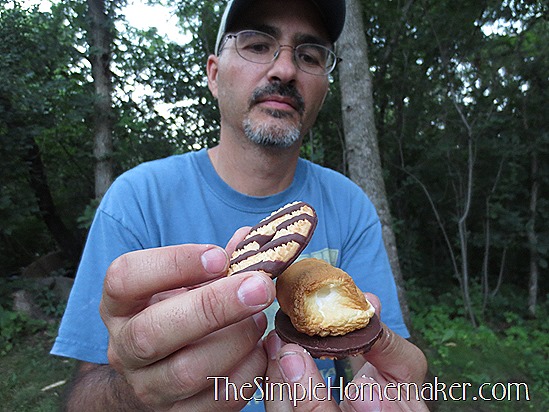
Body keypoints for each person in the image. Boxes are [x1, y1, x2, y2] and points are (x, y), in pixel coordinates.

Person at [51, 0, 427, 410]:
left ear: (324, 86)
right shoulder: (137, 199)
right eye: (257, 44)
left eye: (309, 55)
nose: (285, 70)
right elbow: (83, 396)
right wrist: (138, 391)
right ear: (214, 74)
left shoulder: (349, 204)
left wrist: (398, 389)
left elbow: (383, 361)